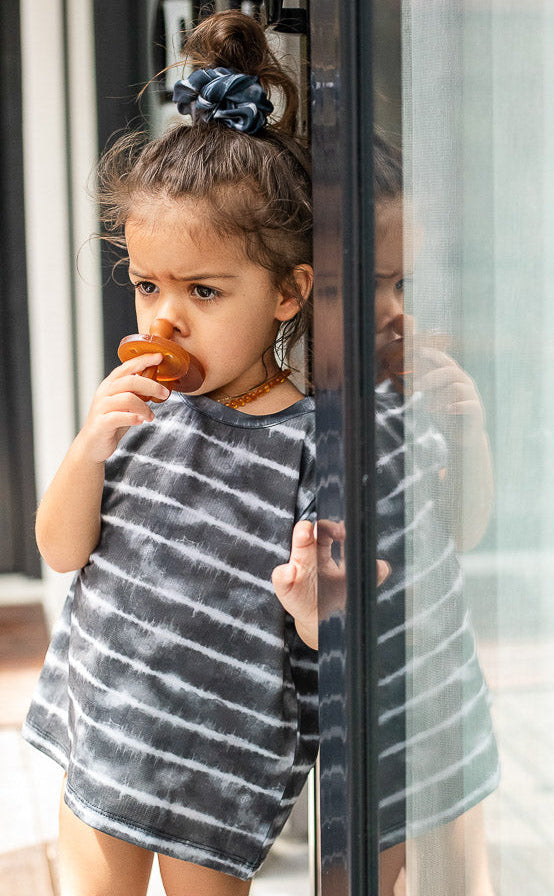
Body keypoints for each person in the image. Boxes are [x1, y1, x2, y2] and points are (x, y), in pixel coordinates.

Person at [23, 11, 316, 896]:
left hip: (219, 756)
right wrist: (89, 447)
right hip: (107, 724)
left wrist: (315, 604)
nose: (165, 319)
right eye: (148, 285)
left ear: (288, 293)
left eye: (204, 291)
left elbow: (323, 635)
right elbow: (60, 550)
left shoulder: (310, 442)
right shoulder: (137, 413)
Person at [274, 134, 499, 896]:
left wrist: (465, 433)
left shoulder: (398, 399)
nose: (396, 311)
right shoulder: (291, 430)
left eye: (403, 283)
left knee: (461, 881)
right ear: (292, 291)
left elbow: (462, 529)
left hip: (444, 702)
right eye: (368, 285)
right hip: (360, 729)